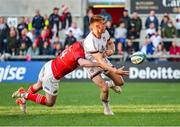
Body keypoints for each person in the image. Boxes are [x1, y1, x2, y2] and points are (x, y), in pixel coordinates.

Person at [12, 42, 101, 113]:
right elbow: (82, 63)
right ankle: (24, 94)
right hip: (52, 75)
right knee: (50, 102)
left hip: (49, 64)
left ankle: (23, 100)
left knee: (38, 85)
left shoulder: (77, 44)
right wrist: (99, 64)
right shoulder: (79, 52)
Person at [83, 15, 129, 115]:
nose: (106, 26)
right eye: (103, 24)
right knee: (104, 89)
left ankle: (110, 84)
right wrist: (116, 71)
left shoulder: (105, 33)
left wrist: (112, 50)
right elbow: (100, 62)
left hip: (103, 60)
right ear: (97, 26)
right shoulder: (89, 41)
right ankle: (107, 107)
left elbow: (111, 43)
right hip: (91, 65)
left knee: (120, 83)